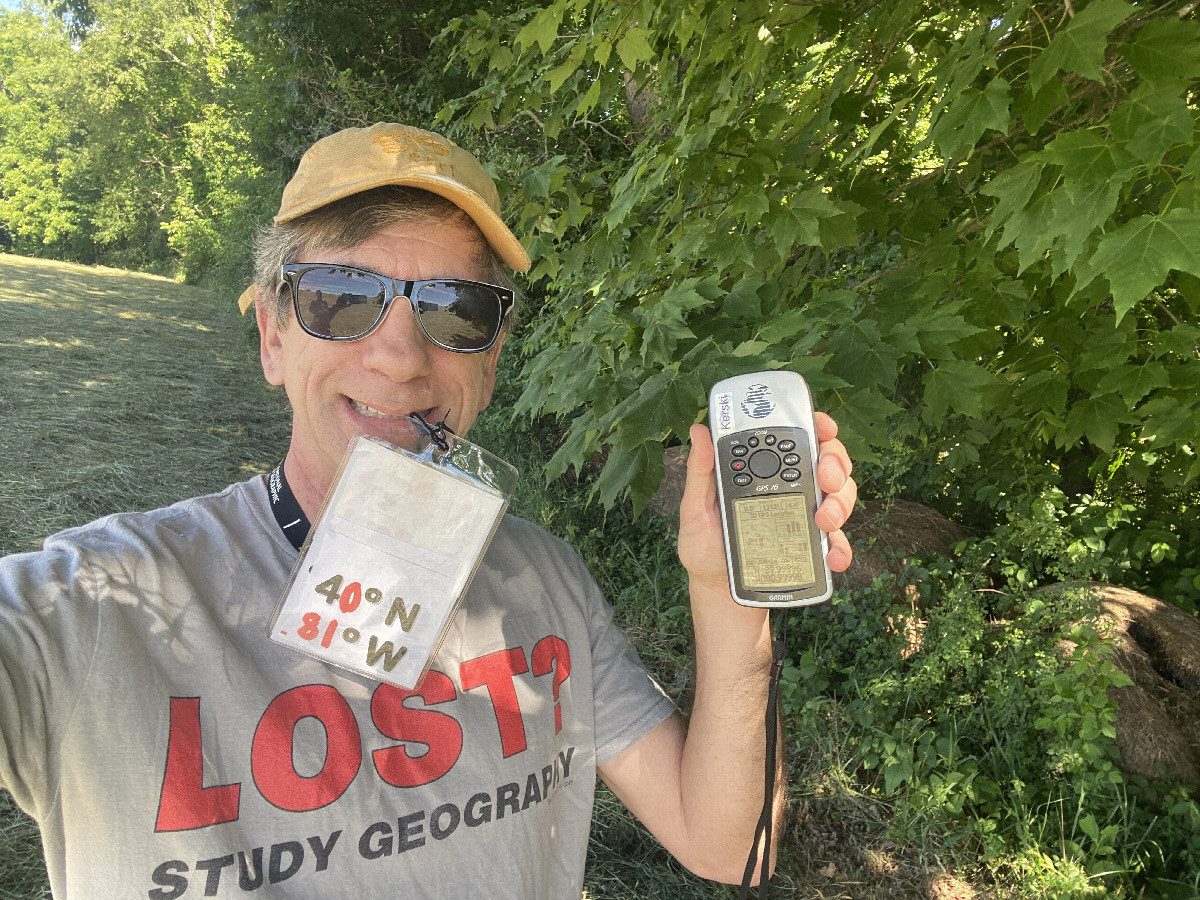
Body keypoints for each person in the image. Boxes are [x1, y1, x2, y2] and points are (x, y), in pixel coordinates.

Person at [0, 122, 856, 899]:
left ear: (488, 361)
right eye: (340, 295)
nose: (403, 355)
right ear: (272, 335)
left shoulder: (547, 578)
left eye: (456, 309)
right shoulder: (92, 606)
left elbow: (726, 847)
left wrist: (728, 590)